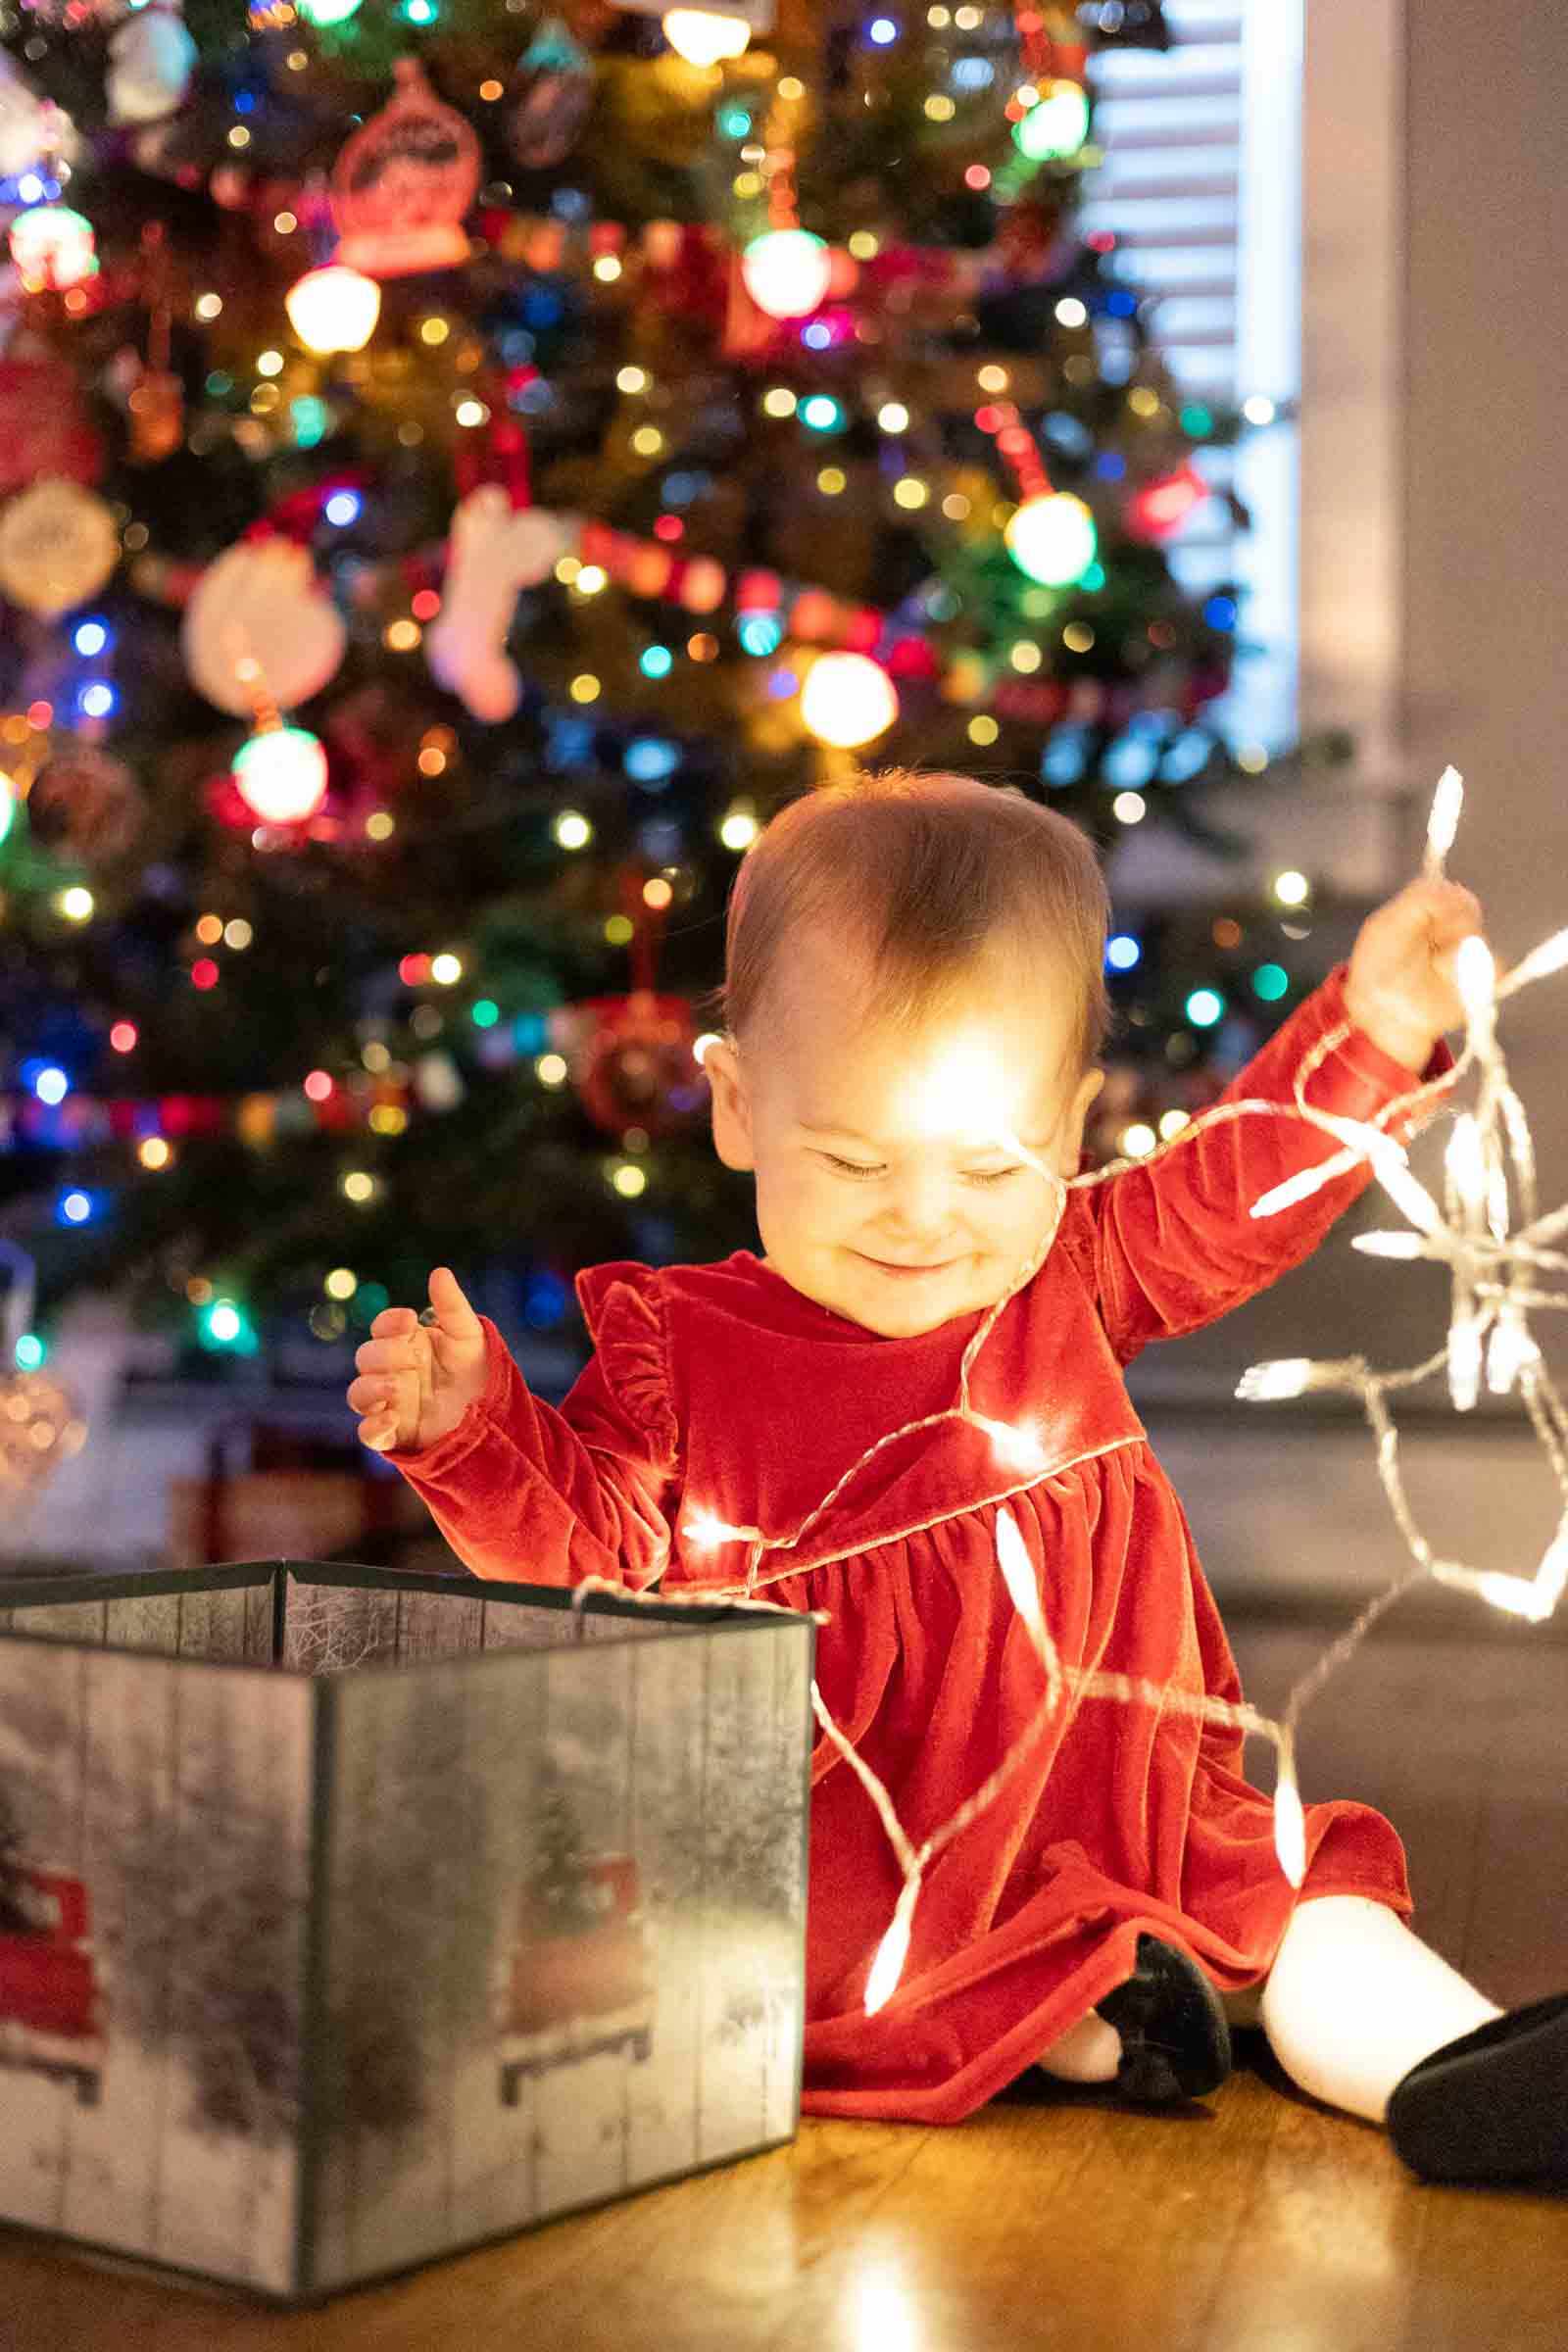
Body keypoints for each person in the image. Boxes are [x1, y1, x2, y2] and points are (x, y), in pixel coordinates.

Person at [349, 770, 1563, 2186]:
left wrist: (1374, 1031)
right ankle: (1090, 2017)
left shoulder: (1070, 1268)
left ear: (1069, 1126)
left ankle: (1465, 2079)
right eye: (855, 1159)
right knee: (920, 1969)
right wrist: (474, 1428)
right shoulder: (686, 1351)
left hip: (1126, 1793)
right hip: (879, 1853)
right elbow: (590, 1557)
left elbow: (1240, 1188)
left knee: (1301, 1901)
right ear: (739, 1107)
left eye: (991, 1165)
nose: (924, 1219)